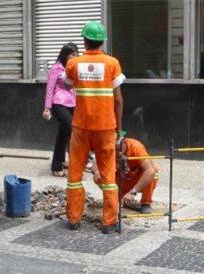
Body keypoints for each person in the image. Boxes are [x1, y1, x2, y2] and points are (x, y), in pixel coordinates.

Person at [63, 21, 126, 234]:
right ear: (102, 41)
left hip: (81, 126)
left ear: (84, 40)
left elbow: (65, 85)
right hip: (106, 127)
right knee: (108, 176)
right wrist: (119, 127)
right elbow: (118, 99)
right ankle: (108, 223)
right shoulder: (112, 63)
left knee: (75, 174)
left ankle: (73, 219)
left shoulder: (74, 63)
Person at [91, 137, 159, 214]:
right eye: (113, 149)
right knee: (98, 178)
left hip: (135, 179)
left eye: (117, 149)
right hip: (119, 179)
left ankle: (145, 203)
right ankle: (117, 198)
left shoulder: (135, 146)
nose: (116, 152)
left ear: (123, 142)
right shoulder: (106, 147)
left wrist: (133, 192)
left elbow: (150, 171)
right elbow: (94, 165)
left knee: (154, 172)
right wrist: (96, 171)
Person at [43, 43, 79, 177]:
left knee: (62, 135)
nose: (75, 57)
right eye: (72, 54)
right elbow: (50, 89)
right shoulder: (56, 68)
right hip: (58, 103)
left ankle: (57, 165)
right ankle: (78, 163)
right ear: (65, 54)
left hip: (72, 104)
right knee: (73, 130)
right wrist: (47, 108)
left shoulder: (73, 67)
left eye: (76, 54)